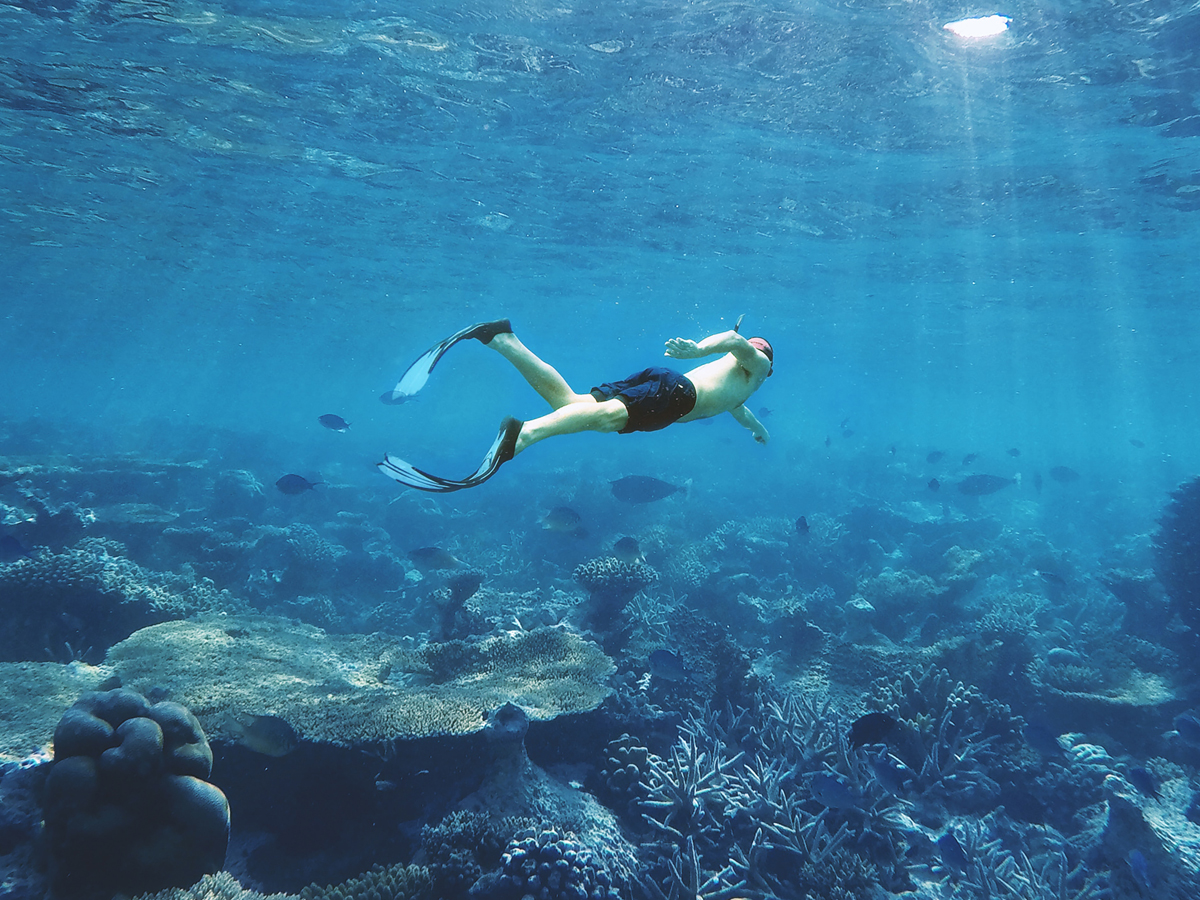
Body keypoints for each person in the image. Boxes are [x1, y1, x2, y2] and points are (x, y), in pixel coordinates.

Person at [377, 319, 773, 492]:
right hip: (677, 395)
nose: (753, 352)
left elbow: (739, 411)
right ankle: (523, 435)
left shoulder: (741, 391)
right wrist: (698, 349)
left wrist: (758, 429)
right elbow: (737, 342)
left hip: (666, 383)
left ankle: (501, 339)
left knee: (570, 403)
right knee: (603, 420)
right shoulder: (758, 365)